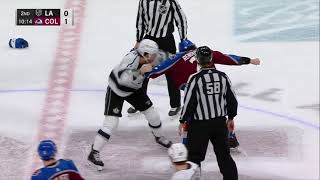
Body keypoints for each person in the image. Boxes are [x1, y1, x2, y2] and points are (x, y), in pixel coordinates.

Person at [145, 39, 260, 149]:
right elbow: (229, 58)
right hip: (213, 88)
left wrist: (145, 73)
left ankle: (186, 144)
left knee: (190, 117)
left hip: (193, 89)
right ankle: (231, 138)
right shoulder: (206, 53)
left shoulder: (176, 58)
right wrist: (250, 60)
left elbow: (157, 71)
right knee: (220, 115)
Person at [87, 39, 172, 171]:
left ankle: (159, 136)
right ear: (145, 54)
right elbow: (123, 80)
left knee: (153, 115)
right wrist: (140, 72)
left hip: (134, 90)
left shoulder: (150, 57)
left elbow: (168, 56)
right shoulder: (129, 60)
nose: (156, 57)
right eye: (153, 55)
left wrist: (184, 54)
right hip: (116, 89)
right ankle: (94, 153)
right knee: (111, 123)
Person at [179, 46, 238, 179]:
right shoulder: (223, 76)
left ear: (198, 61)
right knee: (224, 157)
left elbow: (189, 102)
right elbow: (232, 99)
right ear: (211, 59)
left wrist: (182, 120)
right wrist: (231, 117)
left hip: (199, 125)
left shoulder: (194, 78)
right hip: (219, 124)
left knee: (193, 157)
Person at [128, 0, 189, 116]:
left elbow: (181, 19)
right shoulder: (143, 1)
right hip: (149, 39)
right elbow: (140, 21)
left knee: (171, 71)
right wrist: (139, 40)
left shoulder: (170, 1)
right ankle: (139, 102)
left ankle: (175, 104)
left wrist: (183, 39)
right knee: (142, 69)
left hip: (167, 40)